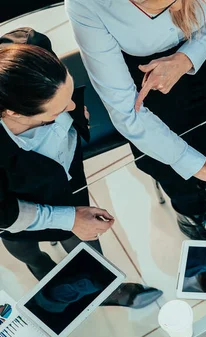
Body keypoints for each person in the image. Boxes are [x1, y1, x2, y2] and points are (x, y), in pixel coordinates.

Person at [65, 0, 206, 241]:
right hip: (142, 82)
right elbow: (127, 112)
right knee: (164, 165)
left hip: (202, 53)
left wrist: (187, 58)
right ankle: (189, 211)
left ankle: (204, 188)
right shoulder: (87, 4)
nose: (177, 11)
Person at [0, 28, 162, 309]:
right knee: (23, 244)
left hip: (66, 175)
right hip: (15, 202)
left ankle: (101, 287)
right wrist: (68, 219)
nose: (74, 106)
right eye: (57, 109)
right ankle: (43, 270)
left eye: (71, 95)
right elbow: (6, 215)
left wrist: (69, 112)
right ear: (14, 112)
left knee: (84, 237)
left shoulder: (32, 47)